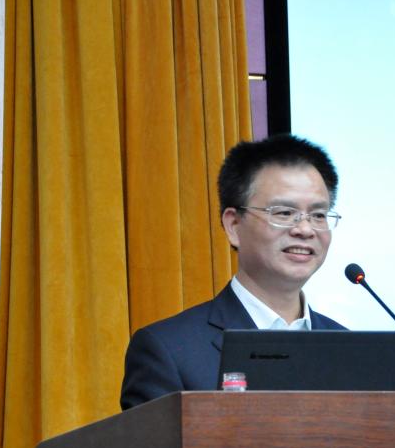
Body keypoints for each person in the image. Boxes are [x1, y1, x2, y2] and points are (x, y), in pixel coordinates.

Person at [120, 135, 347, 409]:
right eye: (284, 213)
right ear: (233, 226)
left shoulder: (349, 348)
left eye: (318, 215)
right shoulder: (169, 350)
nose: (305, 229)